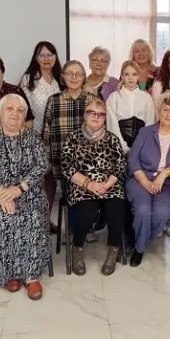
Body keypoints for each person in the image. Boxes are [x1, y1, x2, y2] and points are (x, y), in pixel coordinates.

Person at [0, 94, 50, 300]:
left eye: (20, 110)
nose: (15, 114)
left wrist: (19, 189)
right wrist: (0, 193)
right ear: (0, 112)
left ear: (24, 115)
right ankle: (7, 273)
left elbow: (42, 164)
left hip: (26, 191)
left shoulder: (32, 137)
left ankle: (31, 275)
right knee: (1, 217)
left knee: (32, 217)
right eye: (10, 109)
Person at [126, 92, 170, 267]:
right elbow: (133, 160)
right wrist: (146, 183)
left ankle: (139, 240)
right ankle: (139, 250)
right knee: (143, 211)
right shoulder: (145, 132)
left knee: (161, 214)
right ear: (159, 111)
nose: (169, 114)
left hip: (167, 183)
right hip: (141, 179)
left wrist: (164, 174)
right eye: (165, 110)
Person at [62, 99, 127, 276]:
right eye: (92, 113)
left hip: (109, 185)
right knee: (86, 212)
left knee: (116, 210)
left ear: (105, 118)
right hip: (82, 185)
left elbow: (120, 166)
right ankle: (77, 249)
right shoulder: (73, 138)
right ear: (85, 115)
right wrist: (89, 184)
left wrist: (107, 184)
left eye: (100, 114)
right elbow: (67, 167)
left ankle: (113, 250)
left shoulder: (112, 139)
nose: (96, 117)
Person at [42, 60, 99, 241]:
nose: (74, 77)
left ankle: (86, 227)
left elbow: (101, 130)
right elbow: (46, 133)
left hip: (89, 161)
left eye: (78, 74)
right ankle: (74, 228)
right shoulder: (54, 100)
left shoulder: (92, 99)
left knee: (88, 193)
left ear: (84, 78)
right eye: (70, 73)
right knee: (70, 194)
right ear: (63, 77)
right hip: (62, 161)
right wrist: (46, 160)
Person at [20, 41, 62, 233]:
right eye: (41, 55)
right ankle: (33, 221)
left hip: (56, 138)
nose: (46, 58)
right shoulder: (29, 79)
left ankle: (46, 220)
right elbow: (23, 109)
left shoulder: (60, 78)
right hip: (35, 137)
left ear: (55, 57)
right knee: (35, 179)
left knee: (51, 179)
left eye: (50, 54)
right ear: (35, 58)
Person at [106, 60, 156, 153]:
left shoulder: (147, 98)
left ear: (138, 76)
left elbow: (150, 125)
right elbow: (112, 126)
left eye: (134, 74)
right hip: (118, 148)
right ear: (122, 76)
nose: (130, 78)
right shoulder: (113, 98)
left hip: (142, 149)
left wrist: (139, 149)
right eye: (126, 74)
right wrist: (124, 149)